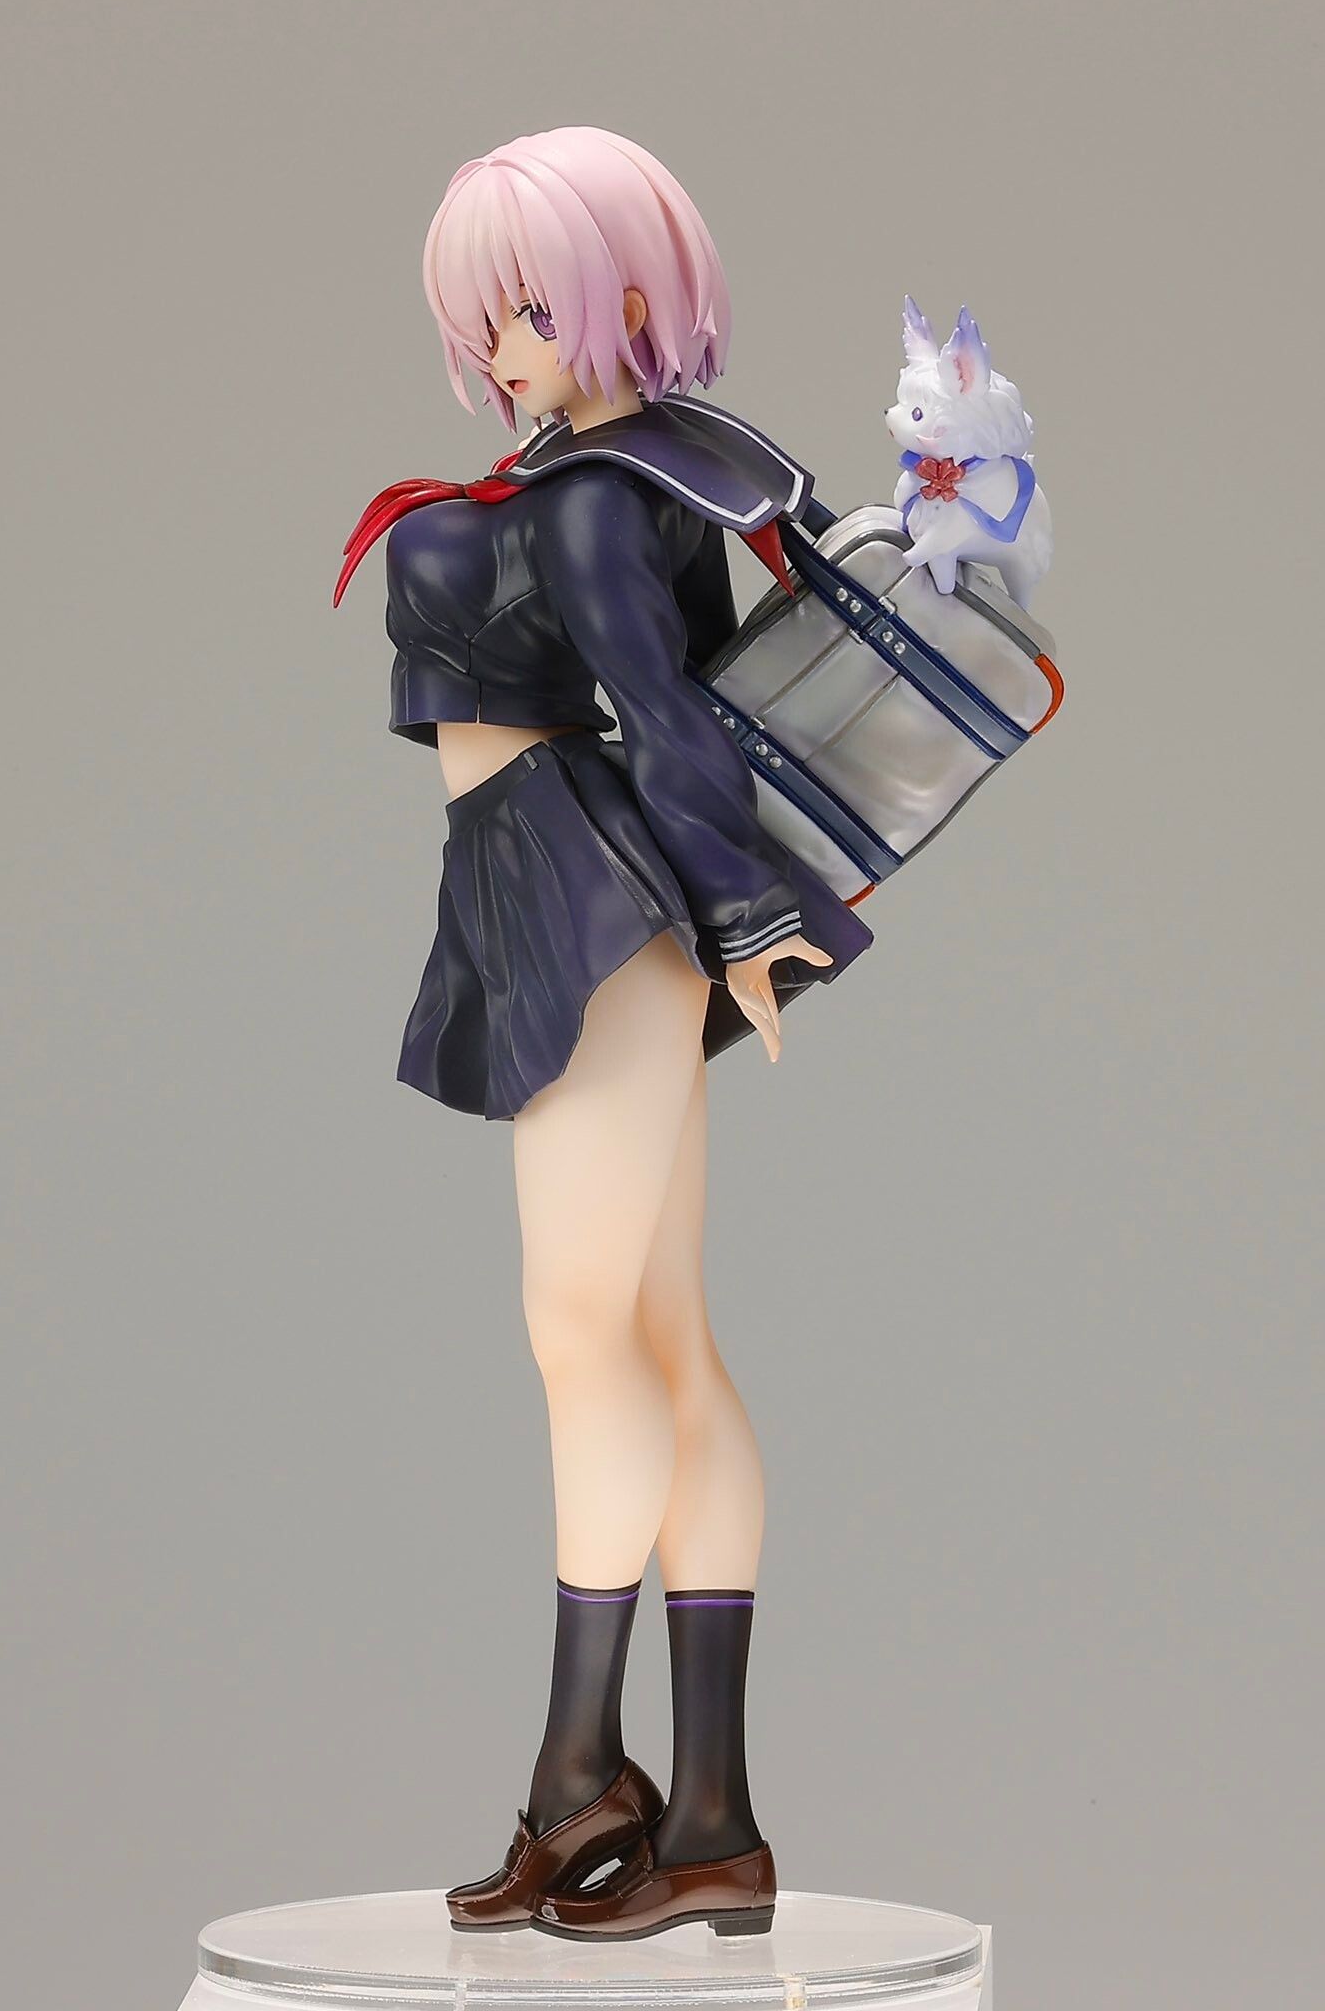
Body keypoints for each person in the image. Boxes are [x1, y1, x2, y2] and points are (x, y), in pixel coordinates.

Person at [335, 126, 873, 1942]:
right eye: (480, 317)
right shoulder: (614, 477)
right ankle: (705, 1822)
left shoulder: (591, 494)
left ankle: (585, 1775)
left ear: (625, 293)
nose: (498, 348)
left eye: (527, 310)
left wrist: (747, 924)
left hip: (583, 894)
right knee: (656, 1340)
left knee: (581, 1334)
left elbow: (676, 717)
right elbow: (698, 693)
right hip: (550, 882)